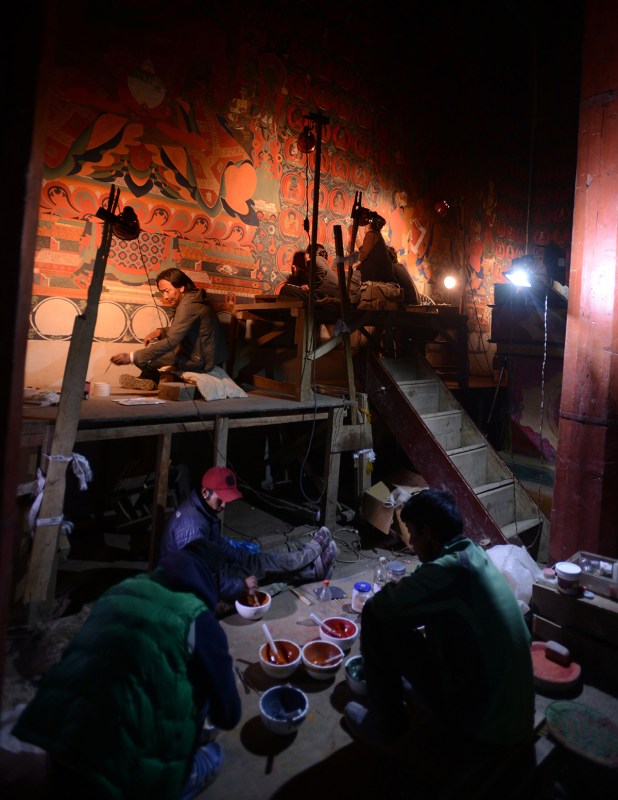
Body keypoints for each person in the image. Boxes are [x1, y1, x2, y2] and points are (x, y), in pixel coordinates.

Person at [11, 544, 242, 799]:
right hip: (118, 781)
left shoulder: (119, 590)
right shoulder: (197, 617)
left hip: (57, 753)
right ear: (207, 582)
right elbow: (228, 715)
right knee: (211, 754)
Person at [344, 488, 535, 755]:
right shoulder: (472, 554)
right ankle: (422, 693)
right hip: (514, 714)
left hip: (488, 725)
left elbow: (384, 605)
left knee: (376, 616)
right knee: (417, 617)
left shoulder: (450, 571)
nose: (409, 541)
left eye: (411, 531)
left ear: (429, 533)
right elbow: (432, 579)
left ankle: (386, 726)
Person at [158, 466, 338, 602]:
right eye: (221, 500)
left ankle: (314, 567)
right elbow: (202, 581)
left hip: (212, 569)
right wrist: (240, 586)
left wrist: (244, 556)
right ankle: (312, 556)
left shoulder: (204, 510)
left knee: (259, 561)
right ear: (205, 492)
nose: (224, 505)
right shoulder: (191, 529)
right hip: (188, 591)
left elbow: (217, 544)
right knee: (261, 572)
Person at [111, 267, 228, 391]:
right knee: (151, 354)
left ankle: (150, 379)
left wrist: (131, 357)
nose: (165, 296)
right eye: (162, 292)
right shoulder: (193, 300)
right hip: (202, 354)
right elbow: (186, 327)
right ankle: (148, 379)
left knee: (144, 359)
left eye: (167, 291)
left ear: (181, 287)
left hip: (202, 360)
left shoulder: (188, 305)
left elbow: (172, 340)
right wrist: (160, 331)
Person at [355, 214, 396, 284]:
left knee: (346, 277)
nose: (364, 227)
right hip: (383, 277)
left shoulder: (371, 234)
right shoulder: (377, 235)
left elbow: (364, 253)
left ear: (369, 226)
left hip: (375, 278)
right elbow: (364, 250)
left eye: (366, 225)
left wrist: (354, 265)